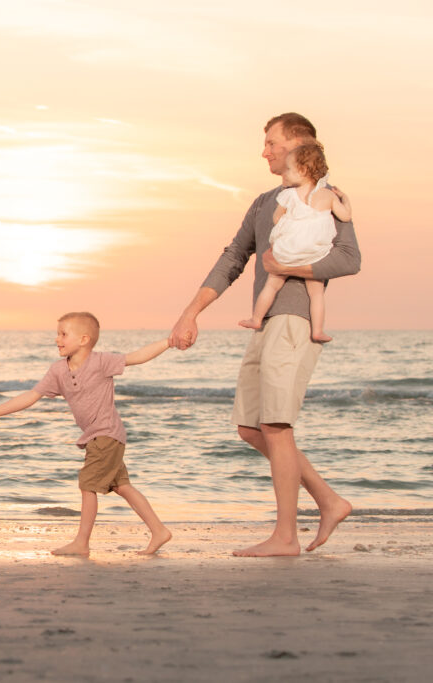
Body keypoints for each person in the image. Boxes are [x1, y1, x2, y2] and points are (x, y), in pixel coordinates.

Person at [169, 113, 360, 557]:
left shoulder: (328, 197)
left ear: (298, 144)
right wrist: (190, 313)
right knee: (251, 428)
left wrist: (289, 268)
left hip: (294, 319)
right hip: (265, 318)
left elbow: (350, 258)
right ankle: (330, 501)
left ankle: (286, 537)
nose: (265, 151)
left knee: (275, 424)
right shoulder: (264, 202)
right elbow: (234, 256)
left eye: (271, 142)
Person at [0, 312, 172, 556]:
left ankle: (82, 543)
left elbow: (136, 357)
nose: (57, 339)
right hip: (96, 437)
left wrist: (169, 342)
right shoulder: (58, 371)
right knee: (122, 486)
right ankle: (159, 530)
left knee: (87, 485)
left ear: (83, 339)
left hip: (107, 434)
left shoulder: (101, 362)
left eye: (63, 334)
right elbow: (32, 395)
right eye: (57, 334)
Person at [238, 142, 353, 342]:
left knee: (272, 285)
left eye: (289, 169)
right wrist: (346, 199)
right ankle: (317, 331)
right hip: (315, 254)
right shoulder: (327, 196)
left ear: (302, 171)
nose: (285, 173)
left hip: (288, 252)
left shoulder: (289, 195)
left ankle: (256, 319)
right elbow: (345, 216)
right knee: (316, 294)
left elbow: (276, 218)